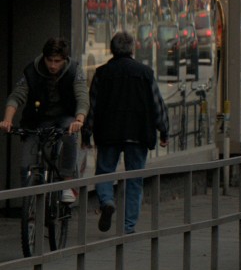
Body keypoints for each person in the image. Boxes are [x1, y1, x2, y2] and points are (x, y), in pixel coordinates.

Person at [83, 31, 169, 234]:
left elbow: (92, 107)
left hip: (108, 132)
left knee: (104, 172)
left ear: (111, 49)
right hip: (138, 134)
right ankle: (128, 226)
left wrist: (86, 134)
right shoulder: (145, 72)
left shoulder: (102, 73)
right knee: (134, 180)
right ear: (132, 48)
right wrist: (164, 131)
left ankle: (106, 202)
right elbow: (157, 105)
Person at [1, 38, 88, 203]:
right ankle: (30, 202)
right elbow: (17, 95)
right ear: (44, 57)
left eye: (57, 61)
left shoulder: (74, 70)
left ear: (64, 60)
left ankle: (67, 182)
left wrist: (79, 119)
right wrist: (7, 120)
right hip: (37, 119)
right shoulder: (32, 71)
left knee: (70, 133)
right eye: (49, 60)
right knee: (25, 164)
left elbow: (82, 96)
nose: (53, 65)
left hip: (65, 116)